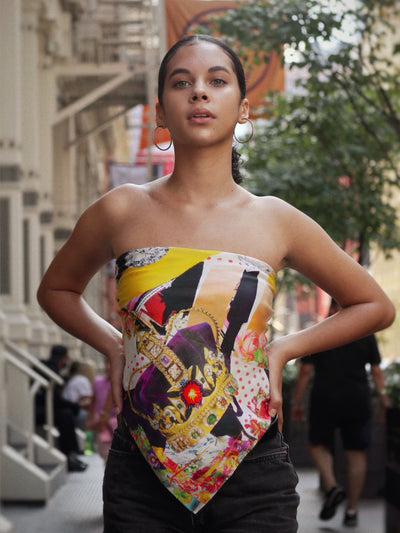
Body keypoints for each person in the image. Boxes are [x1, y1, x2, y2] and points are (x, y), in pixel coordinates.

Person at [36, 34, 395, 532]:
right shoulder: (119, 210)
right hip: (140, 473)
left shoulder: (276, 220)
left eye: (216, 81)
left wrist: (282, 351)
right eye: (182, 83)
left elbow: (373, 304)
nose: (199, 93)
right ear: (161, 111)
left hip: (253, 474)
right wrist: (114, 345)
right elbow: (55, 290)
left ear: (243, 108)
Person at [291, 300, 390, 527]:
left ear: (332, 308)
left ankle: (332, 485)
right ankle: (352, 511)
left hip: (324, 398)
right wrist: (384, 400)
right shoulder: (365, 332)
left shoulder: (321, 329)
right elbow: (376, 371)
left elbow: (305, 370)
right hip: (357, 399)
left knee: (317, 444)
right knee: (357, 454)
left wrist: (296, 401)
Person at [35, 345, 88, 472]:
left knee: (66, 414)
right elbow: (55, 400)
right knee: (66, 415)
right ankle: (70, 456)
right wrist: (76, 406)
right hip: (39, 410)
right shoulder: (50, 370)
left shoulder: (49, 368)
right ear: (63, 359)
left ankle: (72, 455)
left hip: (42, 408)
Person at [85, 359, 117, 462]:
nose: (108, 367)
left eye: (111, 363)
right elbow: (93, 400)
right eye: (106, 363)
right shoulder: (97, 381)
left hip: (115, 421)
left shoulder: (118, 382)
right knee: (104, 451)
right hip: (101, 422)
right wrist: (90, 418)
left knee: (113, 450)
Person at [62, 360, 94, 430]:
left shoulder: (73, 380)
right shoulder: (81, 380)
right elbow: (90, 401)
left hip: (71, 412)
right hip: (77, 413)